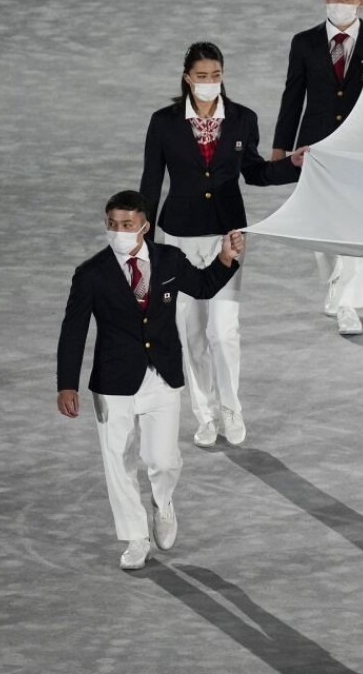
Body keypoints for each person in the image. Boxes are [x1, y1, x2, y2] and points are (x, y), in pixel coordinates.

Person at [57, 191, 244, 570]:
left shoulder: (169, 260)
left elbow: (203, 286)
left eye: (127, 224)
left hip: (162, 376)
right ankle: (135, 537)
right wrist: (67, 384)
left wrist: (226, 258)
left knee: (164, 459)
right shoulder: (91, 274)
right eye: (112, 224)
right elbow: (73, 331)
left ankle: (162, 501)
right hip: (112, 382)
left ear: (144, 225)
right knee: (118, 461)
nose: (118, 231)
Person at [140, 42, 304, 448]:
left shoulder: (243, 119)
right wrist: (142, 244)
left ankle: (232, 408)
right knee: (191, 333)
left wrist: (292, 165)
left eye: (215, 75)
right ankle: (206, 414)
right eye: (202, 76)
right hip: (177, 238)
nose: (209, 82)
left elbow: (255, 172)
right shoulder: (163, 123)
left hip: (228, 236)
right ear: (187, 78)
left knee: (224, 331)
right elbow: (150, 182)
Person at [271, 0, 363, 336]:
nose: (339, 3)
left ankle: (347, 305)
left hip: (361, 148)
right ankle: (334, 284)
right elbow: (293, 95)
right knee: (320, 223)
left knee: (354, 226)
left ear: (362, 1)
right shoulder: (304, 42)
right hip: (315, 146)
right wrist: (280, 148)